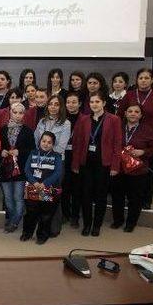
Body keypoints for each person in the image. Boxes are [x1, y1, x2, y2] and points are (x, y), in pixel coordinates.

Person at [71, 92, 122, 237]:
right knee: (86, 195)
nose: (94, 104)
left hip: (104, 164)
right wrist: (75, 163)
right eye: (92, 102)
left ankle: (96, 225)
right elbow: (78, 143)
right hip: (86, 163)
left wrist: (115, 166)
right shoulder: (83, 120)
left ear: (104, 103)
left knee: (101, 195)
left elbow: (117, 144)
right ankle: (87, 224)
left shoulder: (114, 120)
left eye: (97, 101)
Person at [117, 68, 153, 208]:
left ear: (152, 80)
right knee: (126, 169)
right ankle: (129, 197)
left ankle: (145, 200)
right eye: (141, 78)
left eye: (147, 78)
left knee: (146, 170)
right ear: (137, 80)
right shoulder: (129, 95)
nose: (143, 80)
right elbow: (120, 115)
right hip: (129, 138)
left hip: (149, 140)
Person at [111, 103, 153, 232]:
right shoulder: (118, 127)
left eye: (136, 112)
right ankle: (118, 220)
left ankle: (130, 223)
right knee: (117, 196)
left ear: (141, 115)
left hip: (137, 170)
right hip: (119, 168)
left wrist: (143, 152)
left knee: (135, 198)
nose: (133, 114)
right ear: (125, 113)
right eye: (130, 111)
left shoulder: (147, 129)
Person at [33, 95, 71, 236]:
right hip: (40, 161)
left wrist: (46, 151)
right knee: (41, 194)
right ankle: (41, 226)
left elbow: (61, 146)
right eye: (51, 104)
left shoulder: (66, 123)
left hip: (56, 162)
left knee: (53, 194)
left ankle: (54, 227)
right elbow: (37, 139)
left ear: (60, 107)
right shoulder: (42, 121)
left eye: (56, 104)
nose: (53, 107)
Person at [0, 102, 35, 233]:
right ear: (10, 113)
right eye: (15, 112)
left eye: (21, 113)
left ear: (24, 115)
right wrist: (1, 151)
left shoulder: (28, 131)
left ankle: (14, 221)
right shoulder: (2, 129)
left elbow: (32, 150)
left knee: (18, 197)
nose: (18, 115)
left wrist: (20, 152)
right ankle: (13, 217)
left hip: (21, 169)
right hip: (5, 169)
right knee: (8, 197)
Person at [21, 132, 63, 244]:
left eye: (49, 142)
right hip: (32, 188)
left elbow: (58, 172)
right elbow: (27, 170)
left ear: (53, 144)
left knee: (46, 214)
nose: (46, 144)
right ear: (39, 141)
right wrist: (34, 182)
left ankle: (42, 235)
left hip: (47, 189)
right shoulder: (33, 153)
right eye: (44, 141)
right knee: (30, 213)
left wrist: (45, 183)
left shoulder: (56, 156)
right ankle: (27, 233)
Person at [63, 92, 83, 227]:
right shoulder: (61, 118)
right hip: (64, 155)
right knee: (64, 187)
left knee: (77, 188)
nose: (71, 104)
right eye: (68, 102)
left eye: (74, 102)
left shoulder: (85, 119)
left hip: (78, 156)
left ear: (79, 104)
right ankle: (65, 214)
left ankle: (75, 216)